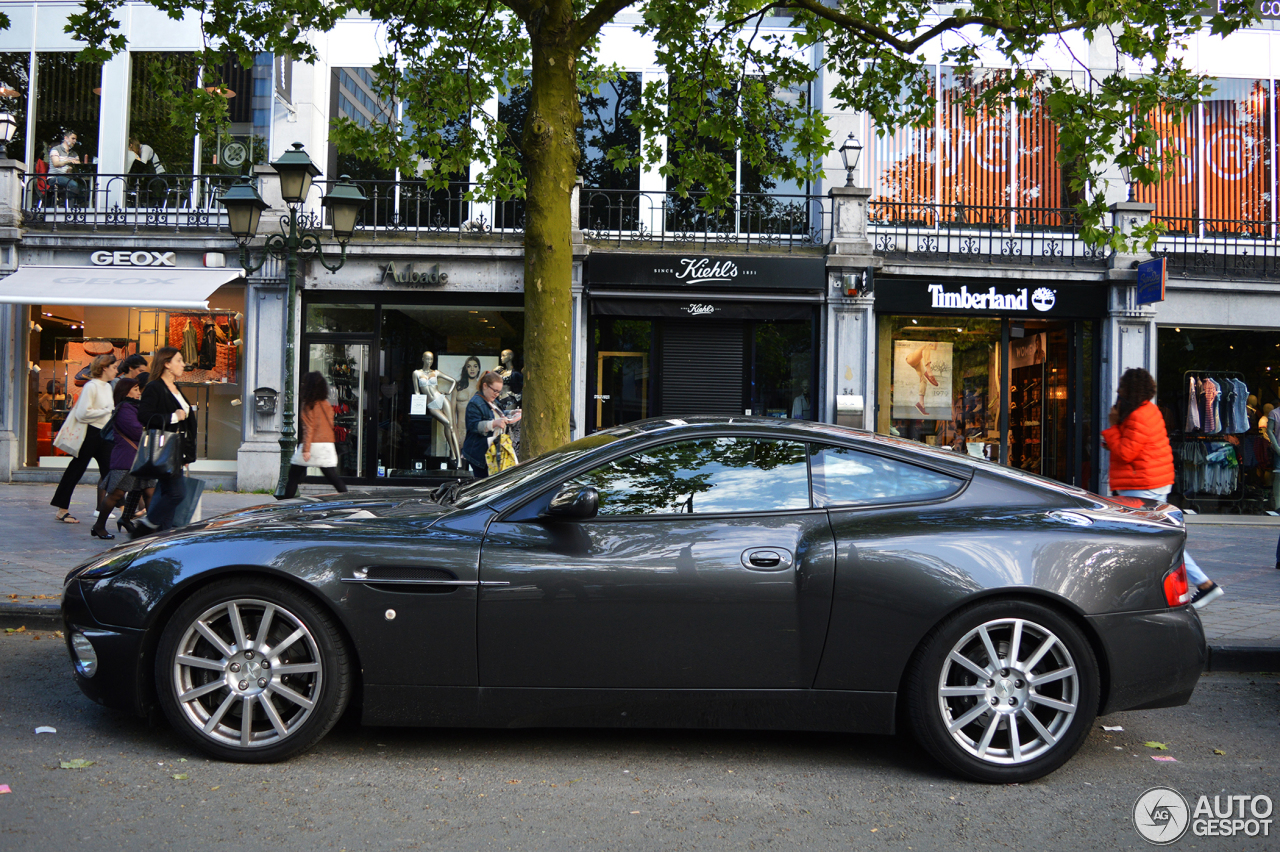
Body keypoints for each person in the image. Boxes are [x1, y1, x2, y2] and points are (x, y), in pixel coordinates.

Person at [1103, 367, 1223, 609]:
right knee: (1151, 539)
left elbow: (1126, 452)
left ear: (1131, 389)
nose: (1118, 390)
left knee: (1158, 541)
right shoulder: (1146, 411)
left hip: (1143, 486)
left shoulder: (1139, 415)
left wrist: (1113, 427)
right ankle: (1163, 590)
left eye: (1122, 386)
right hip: (1148, 483)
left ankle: (1205, 585)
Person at [131, 348, 194, 537]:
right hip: (164, 448)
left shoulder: (176, 388)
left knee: (166, 493)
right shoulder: (155, 387)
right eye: (179, 360)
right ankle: (145, 528)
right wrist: (172, 417)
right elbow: (144, 416)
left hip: (176, 450)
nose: (183, 364)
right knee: (177, 493)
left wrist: (187, 453)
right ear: (166, 363)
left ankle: (163, 535)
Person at [50, 354, 117, 524]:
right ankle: (62, 509)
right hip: (89, 433)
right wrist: (107, 411)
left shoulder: (107, 387)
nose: (116, 370)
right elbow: (82, 413)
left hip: (103, 434)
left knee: (111, 472)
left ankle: (124, 510)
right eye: (114, 367)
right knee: (76, 470)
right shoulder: (91, 386)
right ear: (104, 368)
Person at [90, 378, 155, 540]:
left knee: (149, 491)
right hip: (127, 458)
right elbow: (137, 431)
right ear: (125, 391)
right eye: (135, 389)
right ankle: (99, 526)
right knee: (116, 494)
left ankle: (152, 529)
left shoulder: (133, 407)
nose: (138, 392)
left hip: (139, 459)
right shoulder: (125, 408)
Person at [279, 371, 349, 499]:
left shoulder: (308, 404)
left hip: (312, 444)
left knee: (293, 476)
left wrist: (306, 449)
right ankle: (349, 500)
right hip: (327, 445)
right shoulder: (326, 405)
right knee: (333, 477)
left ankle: (286, 504)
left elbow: (309, 428)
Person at [462, 371, 515, 478]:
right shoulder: (475, 402)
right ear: (485, 386)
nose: (496, 394)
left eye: (499, 392)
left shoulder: (491, 400)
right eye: (495, 391)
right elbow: (473, 426)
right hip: (480, 454)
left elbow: (497, 414)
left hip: (489, 452)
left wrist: (511, 413)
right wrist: (494, 423)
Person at [47, 130, 88, 206]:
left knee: (84, 187)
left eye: (75, 139)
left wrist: (72, 168)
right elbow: (56, 163)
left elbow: (77, 165)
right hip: (54, 177)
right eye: (73, 138)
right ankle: (65, 205)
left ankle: (72, 205)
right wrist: (68, 161)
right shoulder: (56, 149)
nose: (75, 141)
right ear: (65, 138)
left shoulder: (74, 153)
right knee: (73, 185)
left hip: (67, 178)